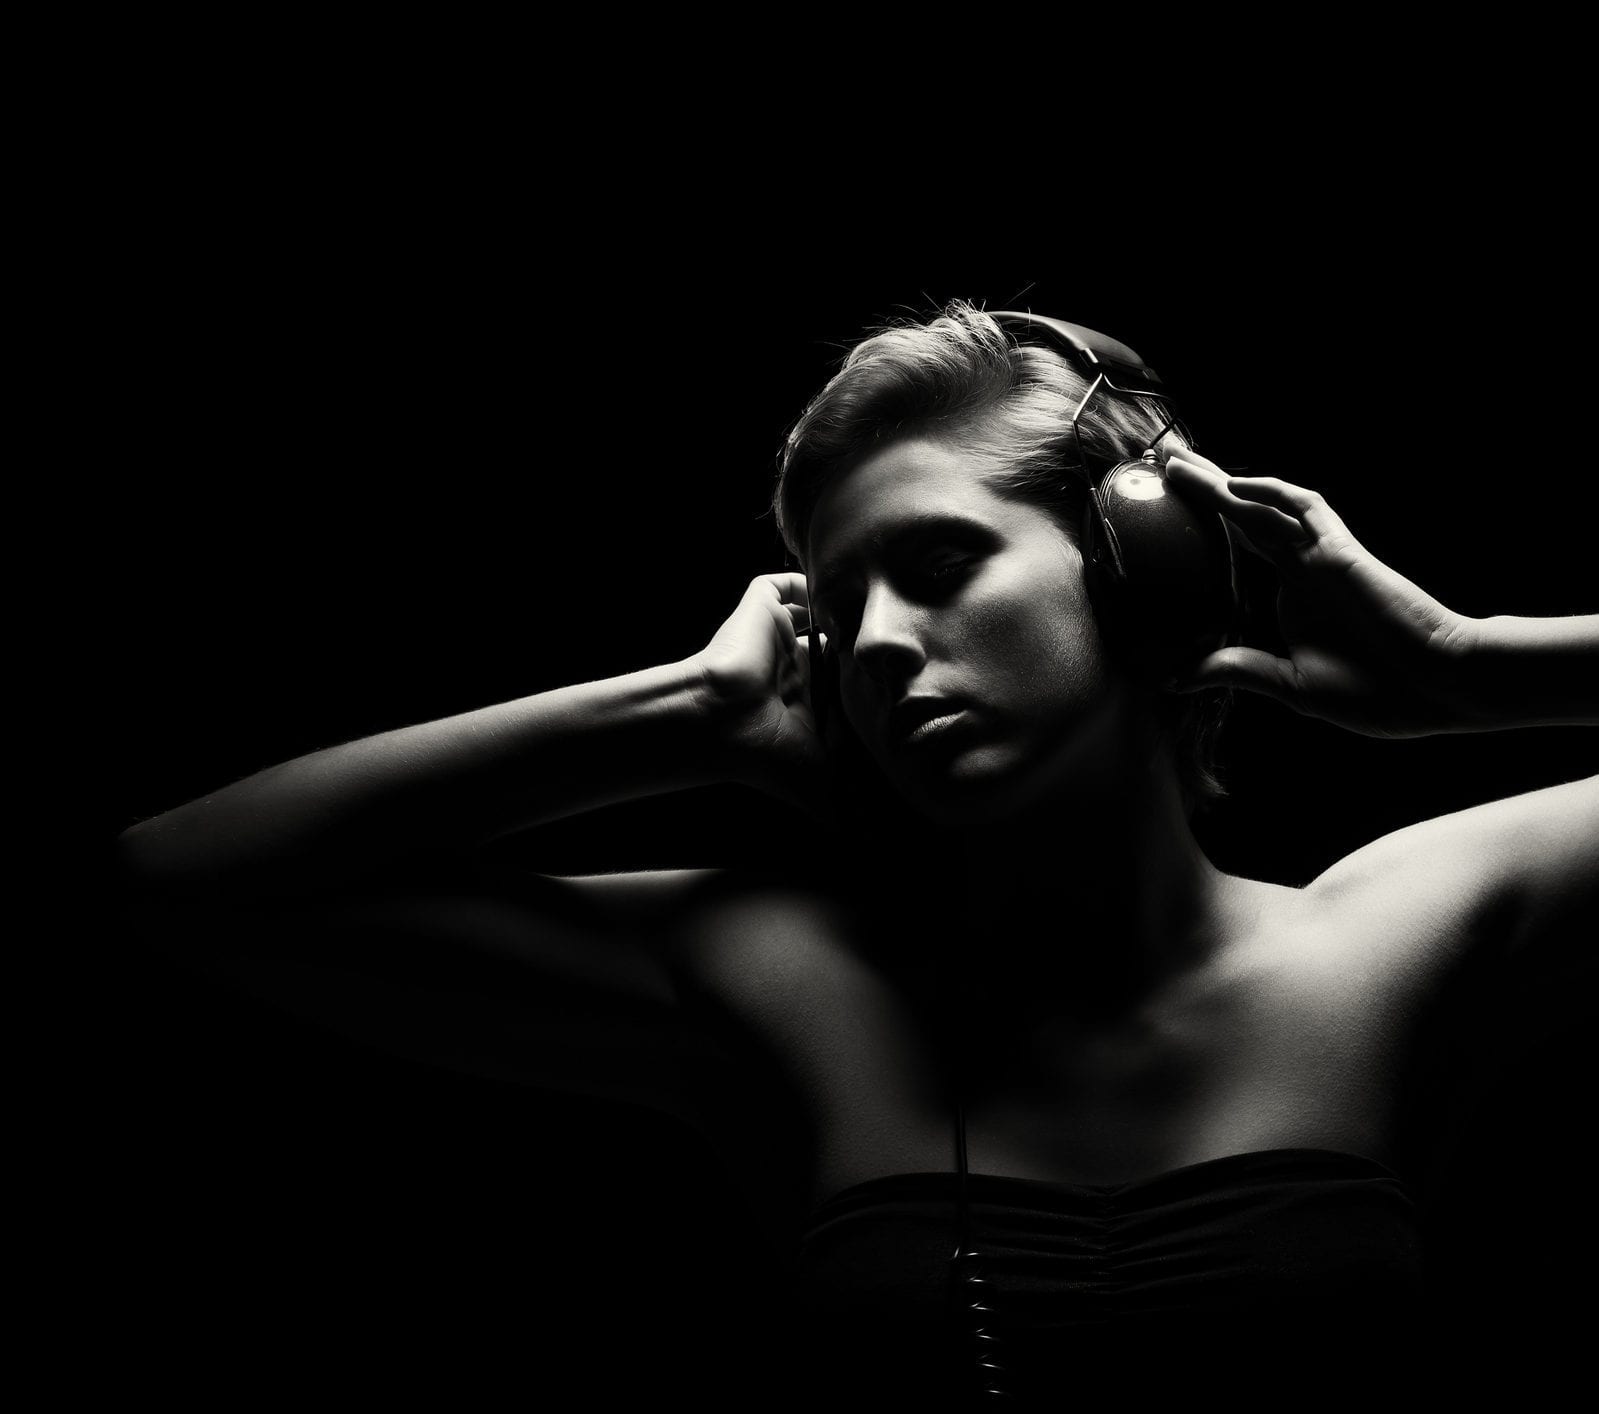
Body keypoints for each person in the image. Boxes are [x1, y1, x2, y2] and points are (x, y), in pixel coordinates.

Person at [116, 300, 1597, 1407]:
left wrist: (1472, 667)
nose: (878, 644)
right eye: (837, 609)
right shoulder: (781, 979)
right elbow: (176, 876)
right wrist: (685, 712)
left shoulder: (1400, 930)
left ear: (1147, 568)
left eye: (940, 564)